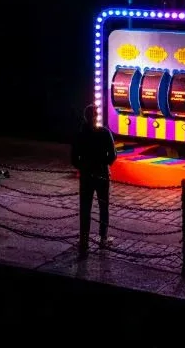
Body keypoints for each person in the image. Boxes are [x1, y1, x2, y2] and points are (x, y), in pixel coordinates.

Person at [70, 105, 116, 257]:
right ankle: (103, 238)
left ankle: (84, 240)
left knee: (85, 208)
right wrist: (104, 163)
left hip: (86, 174)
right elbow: (113, 155)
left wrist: (83, 166)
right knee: (103, 207)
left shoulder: (79, 134)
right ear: (96, 116)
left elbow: (74, 158)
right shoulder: (104, 133)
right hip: (102, 174)